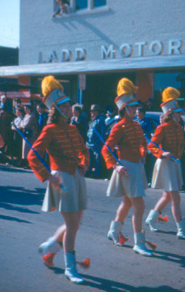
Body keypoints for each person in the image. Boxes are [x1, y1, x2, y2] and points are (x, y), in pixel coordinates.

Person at [27, 75, 90, 285]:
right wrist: (48, 175)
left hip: (77, 178)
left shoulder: (72, 129)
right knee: (72, 226)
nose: (69, 109)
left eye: (69, 105)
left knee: (75, 223)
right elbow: (33, 155)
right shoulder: (49, 130)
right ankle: (71, 268)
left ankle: (50, 248)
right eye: (65, 106)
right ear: (56, 109)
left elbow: (84, 150)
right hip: (62, 179)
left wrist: (84, 163)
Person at [102, 78, 153, 257]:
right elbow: (106, 149)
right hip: (126, 168)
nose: (135, 110)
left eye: (135, 107)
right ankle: (139, 242)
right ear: (124, 108)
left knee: (127, 202)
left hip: (136, 167)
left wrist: (143, 153)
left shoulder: (136, 125)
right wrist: (114, 165)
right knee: (139, 205)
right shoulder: (119, 127)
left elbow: (142, 143)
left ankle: (114, 231)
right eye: (131, 107)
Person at [145, 87, 185, 241]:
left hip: (175, 163)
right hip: (166, 163)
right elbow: (151, 146)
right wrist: (162, 153)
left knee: (167, 196)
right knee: (175, 197)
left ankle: (151, 218)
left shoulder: (179, 127)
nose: (180, 114)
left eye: (179, 112)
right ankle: (181, 229)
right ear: (170, 113)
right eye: (177, 112)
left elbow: (181, 145)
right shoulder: (162, 128)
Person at [135, 106, 155, 183]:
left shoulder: (147, 122)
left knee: (146, 162)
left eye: (139, 113)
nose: (137, 115)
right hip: (136, 145)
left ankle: (146, 179)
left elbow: (150, 132)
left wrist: (143, 134)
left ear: (143, 113)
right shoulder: (135, 121)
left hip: (144, 144)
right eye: (136, 113)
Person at [86, 104, 106, 178]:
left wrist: (99, 142)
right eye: (91, 111)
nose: (91, 113)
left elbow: (102, 132)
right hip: (90, 143)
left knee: (98, 158)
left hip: (96, 143)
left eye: (93, 111)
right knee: (90, 158)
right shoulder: (92, 120)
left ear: (97, 112)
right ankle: (89, 171)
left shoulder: (100, 119)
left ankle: (97, 173)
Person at [20, 104, 37, 168]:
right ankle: (25, 162)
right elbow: (22, 123)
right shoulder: (26, 115)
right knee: (24, 149)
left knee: (28, 148)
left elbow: (27, 125)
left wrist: (22, 126)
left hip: (30, 133)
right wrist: (22, 125)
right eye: (25, 109)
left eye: (26, 108)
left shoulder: (32, 116)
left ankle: (29, 163)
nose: (25, 110)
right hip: (25, 133)